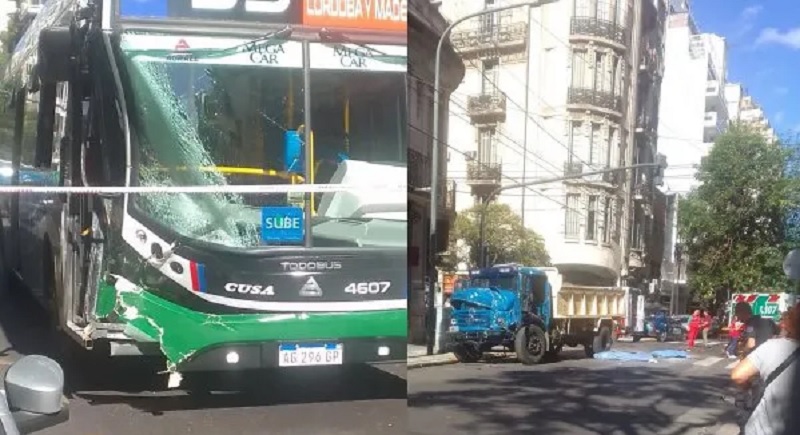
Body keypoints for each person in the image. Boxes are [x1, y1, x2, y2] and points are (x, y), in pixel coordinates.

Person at [731, 303, 800, 434]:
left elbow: (738, 374)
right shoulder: (768, 322)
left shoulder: (753, 326)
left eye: (737, 314)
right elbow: (779, 332)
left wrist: (742, 351)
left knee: (746, 406)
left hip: (758, 367)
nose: (738, 318)